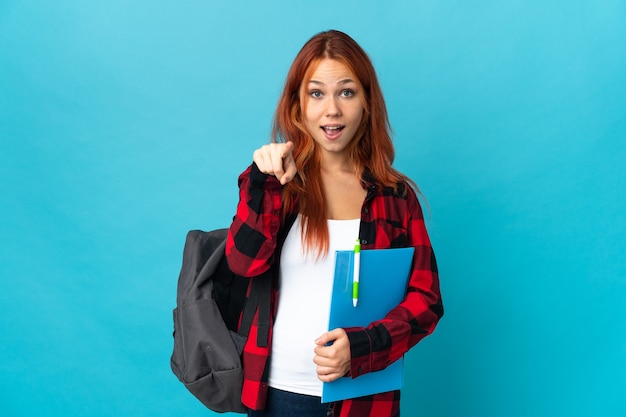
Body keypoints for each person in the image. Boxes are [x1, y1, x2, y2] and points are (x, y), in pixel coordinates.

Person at [225, 29, 443, 417]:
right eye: (316, 93)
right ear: (297, 106)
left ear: (367, 103)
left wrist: (363, 346)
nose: (332, 110)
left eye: (346, 92)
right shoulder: (277, 184)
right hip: (279, 396)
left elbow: (426, 300)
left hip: (364, 399)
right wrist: (263, 181)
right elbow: (244, 262)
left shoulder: (396, 197)